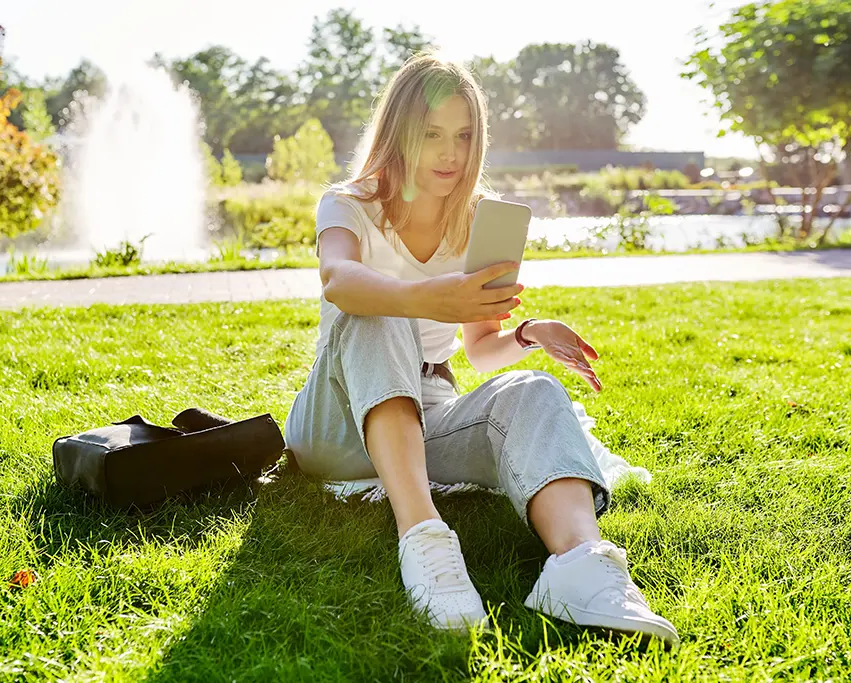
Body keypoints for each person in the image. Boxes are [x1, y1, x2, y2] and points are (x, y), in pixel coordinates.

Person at [283, 52, 678, 646]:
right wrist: (427, 298)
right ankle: (426, 544)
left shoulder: (486, 224)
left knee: (536, 391)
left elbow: (480, 351)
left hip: (428, 416)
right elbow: (338, 280)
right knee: (378, 308)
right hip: (336, 424)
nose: (451, 153)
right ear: (398, 133)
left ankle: (581, 565)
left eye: (464, 136)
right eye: (432, 134)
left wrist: (525, 335)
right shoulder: (348, 202)